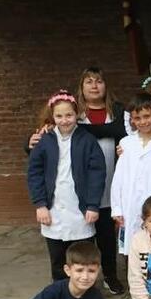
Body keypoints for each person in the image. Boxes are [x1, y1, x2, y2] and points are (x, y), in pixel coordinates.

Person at [27, 90, 106, 281]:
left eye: (69, 115)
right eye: (59, 116)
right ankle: (61, 295)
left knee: (83, 258)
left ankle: (84, 295)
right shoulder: (44, 140)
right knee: (57, 260)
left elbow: (97, 174)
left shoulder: (87, 140)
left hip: (80, 210)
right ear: (52, 116)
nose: (64, 120)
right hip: (52, 210)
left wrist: (93, 205)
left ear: (76, 114)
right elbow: (34, 173)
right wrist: (40, 204)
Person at [73, 67, 126, 294]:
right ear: (81, 87)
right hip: (83, 189)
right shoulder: (73, 113)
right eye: (89, 82)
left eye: (99, 81)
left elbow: (119, 130)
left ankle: (110, 275)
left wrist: (87, 130)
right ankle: (84, 279)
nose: (94, 86)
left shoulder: (117, 110)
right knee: (85, 237)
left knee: (107, 237)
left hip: (112, 184)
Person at [110, 93, 151, 256]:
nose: (143, 122)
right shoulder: (126, 143)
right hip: (129, 204)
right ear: (132, 120)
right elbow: (119, 177)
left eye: (146, 116)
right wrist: (117, 208)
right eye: (138, 118)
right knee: (133, 248)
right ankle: (135, 281)